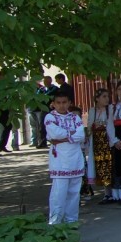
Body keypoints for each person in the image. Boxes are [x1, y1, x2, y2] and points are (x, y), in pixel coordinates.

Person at [45, 91, 86, 224]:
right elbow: (53, 133)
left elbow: (81, 135)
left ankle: (71, 221)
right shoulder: (50, 117)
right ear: (53, 104)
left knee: (74, 193)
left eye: (64, 102)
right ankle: (55, 222)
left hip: (75, 159)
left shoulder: (75, 117)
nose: (62, 105)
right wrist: (71, 134)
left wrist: (62, 138)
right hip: (59, 160)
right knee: (59, 193)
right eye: (58, 103)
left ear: (69, 103)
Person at [86, 89, 114, 198]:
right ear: (97, 98)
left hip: (108, 140)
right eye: (104, 96)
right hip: (98, 141)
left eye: (108, 96)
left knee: (110, 165)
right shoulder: (93, 111)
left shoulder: (110, 109)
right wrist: (92, 127)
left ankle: (112, 192)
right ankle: (106, 192)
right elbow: (89, 126)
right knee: (101, 166)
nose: (107, 99)